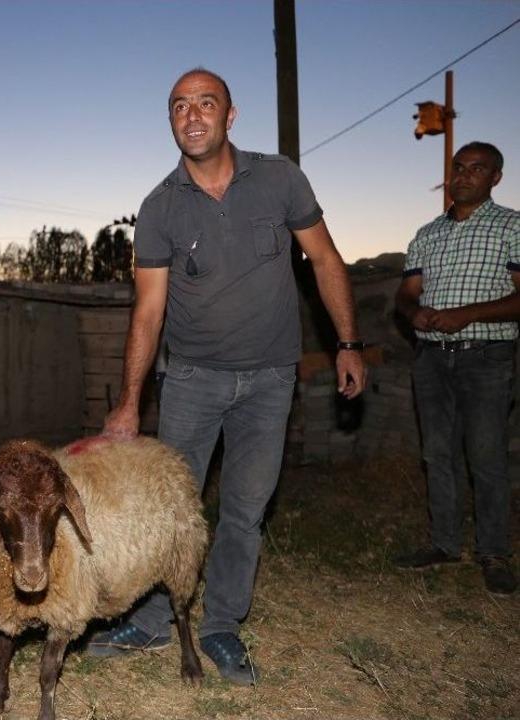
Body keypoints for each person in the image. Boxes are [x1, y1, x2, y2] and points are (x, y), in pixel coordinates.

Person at [89, 68, 367, 685]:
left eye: (205, 103)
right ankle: (156, 618)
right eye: (178, 106)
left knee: (246, 506)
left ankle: (220, 625)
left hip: (270, 381)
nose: (192, 115)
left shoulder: (279, 178)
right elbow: (150, 310)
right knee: (173, 508)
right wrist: (131, 400)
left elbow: (324, 258)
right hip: (191, 382)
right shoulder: (159, 207)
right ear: (170, 121)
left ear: (230, 116)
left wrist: (348, 342)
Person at [392, 142, 518, 595]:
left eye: (477, 169)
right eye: (458, 168)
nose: (464, 176)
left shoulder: (511, 227)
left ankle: (495, 553)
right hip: (431, 357)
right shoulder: (427, 233)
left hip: (485, 357)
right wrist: (414, 314)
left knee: (485, 457)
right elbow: (407, 293)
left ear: (495, 178)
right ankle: (444, 544)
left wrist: (469, 314)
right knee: (437, 455)